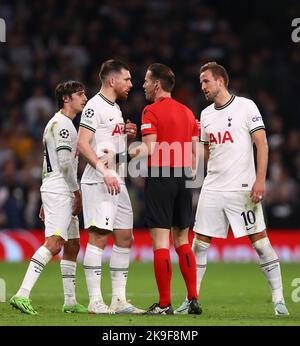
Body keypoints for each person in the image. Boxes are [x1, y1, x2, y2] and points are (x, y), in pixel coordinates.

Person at [175, 61, 289, 316]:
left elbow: (261, 143)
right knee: (199, 244)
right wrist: (194, 167)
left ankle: (279, 299)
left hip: (242, 188)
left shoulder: (246, 107)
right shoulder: (205, 115)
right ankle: (191, 299)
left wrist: (260, 180)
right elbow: (206, 149)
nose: (202, 86)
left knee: (260, 242)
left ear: (220, 81)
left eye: (205, 81)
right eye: (200, 81)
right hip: (212, 188)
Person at [10, 80, 88, 315]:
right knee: (55, 243)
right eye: (80, 94)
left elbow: (49, 163)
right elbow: (64, 165)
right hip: (61, 189)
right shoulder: (63, 125)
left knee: (73, 244)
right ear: (66, 98)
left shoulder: (63, 124)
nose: (84, 97)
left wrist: (47, 197)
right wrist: (76, 192)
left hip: (56, 188)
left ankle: (70, 301)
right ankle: (22, 294)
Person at [132, 63, 201, 315]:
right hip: (184, 177)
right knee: (182, 239)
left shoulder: (150, 111)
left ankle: (164, 304)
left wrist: (124, 154)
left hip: (161, 176)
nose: (144, 85)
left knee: (161, 242)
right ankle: (193, 298)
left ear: (157, 84)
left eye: (147, 81)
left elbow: (149, 148)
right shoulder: (188, 112)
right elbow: (195, 155)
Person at [77, 59, 143, 314]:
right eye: (127, 79)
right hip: (100, 180)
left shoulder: (115, 108)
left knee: (125, 237)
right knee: (99, 237)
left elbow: (109, 146)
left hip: (118, 179)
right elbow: (83, 144)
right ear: (112, 80)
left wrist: (126, 136)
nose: (131, 84)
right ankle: (95, 301)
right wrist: (104, 171)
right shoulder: (94, 106)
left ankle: (119, 300)